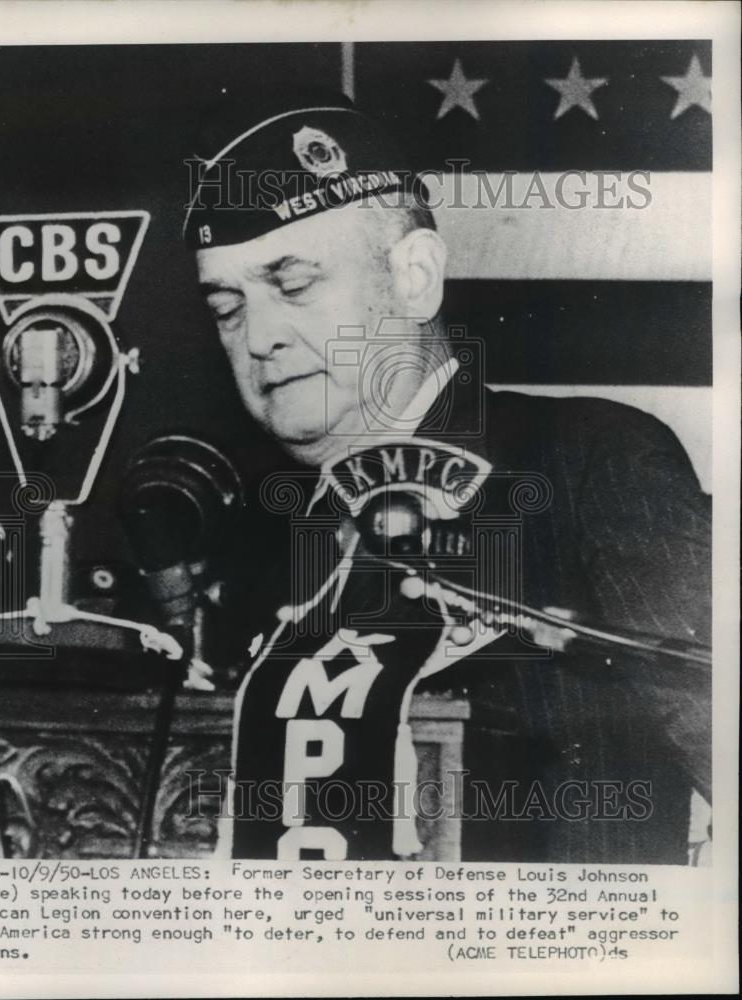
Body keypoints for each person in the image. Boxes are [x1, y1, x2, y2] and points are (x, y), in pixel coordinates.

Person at [184, 89, 711, 863]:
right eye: (228, 306)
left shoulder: (589, 462)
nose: (258, 337)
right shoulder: (255, 533)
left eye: (293, 285)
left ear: (416, 276)